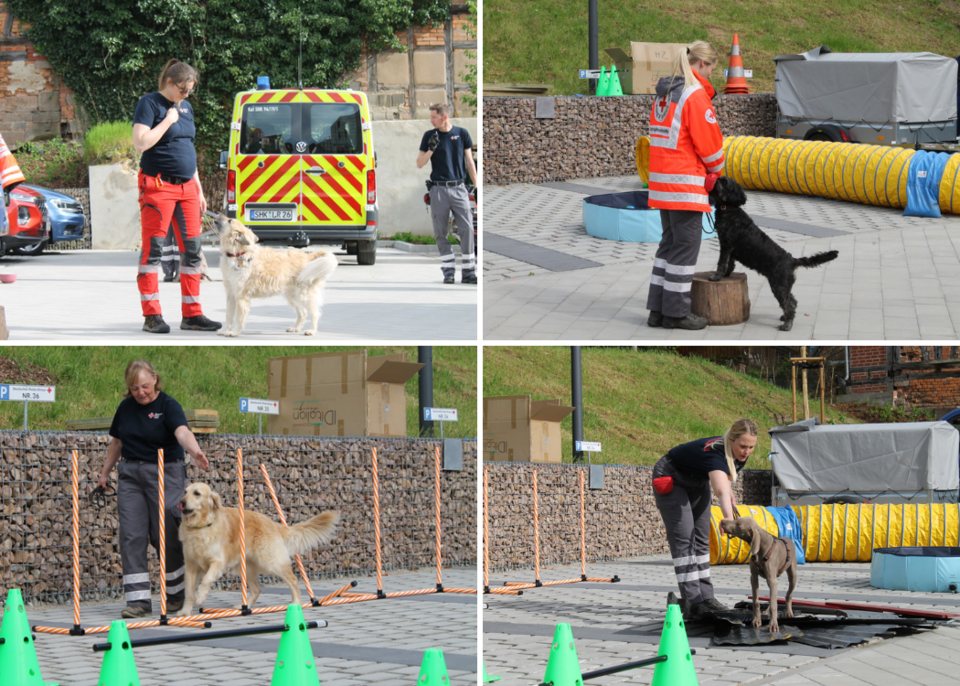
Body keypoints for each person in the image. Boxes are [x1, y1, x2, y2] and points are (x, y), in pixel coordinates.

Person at [95, 360, 209, 618]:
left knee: (166, 534)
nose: (140, 392)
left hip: (165, 472)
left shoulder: (168, 406)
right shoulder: (125, 408)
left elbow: (182, 432)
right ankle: (138, 601)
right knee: (131, 536)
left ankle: (176, 596)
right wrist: (104, 473)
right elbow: (117, 442)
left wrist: (195, 452)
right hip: (131, 476)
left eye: (145, 386)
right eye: (134, 388)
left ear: (155, 380)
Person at [132, 59, 221, 334]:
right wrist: (168, 120)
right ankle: (152, 316)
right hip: (158, 187)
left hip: (188, 189)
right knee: (153, 251)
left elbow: (187, 147)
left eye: (190, 91)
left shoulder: (187, 107)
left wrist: (199, 188)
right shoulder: (149, 104)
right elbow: (140, 143)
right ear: (170, 83)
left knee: (192, 252)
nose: (186, 95)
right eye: (183, 90)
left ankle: (192, 315)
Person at [646, 41, 726, 330]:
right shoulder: (694, 96)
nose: (712, 76)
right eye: (713, 69)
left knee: (667, 246)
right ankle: (677, 313)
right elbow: (711, 147)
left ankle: (657, 310)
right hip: (685, 187)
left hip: (662, 187)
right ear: (703, 64)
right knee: (684, 251)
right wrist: (717, 173)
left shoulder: (665, 94)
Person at [652, 418, 758, 619]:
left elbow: (726, 482)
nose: (747, 451)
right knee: (684, 538)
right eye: (743, 446)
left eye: (751, 447)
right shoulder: (715, 454)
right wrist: (729, 519)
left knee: (702, 537)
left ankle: (706, 597)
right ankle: (693, 600)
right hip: (671, 476)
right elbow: (720, 491)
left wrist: (730, 493)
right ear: (731, 440)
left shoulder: (738, 454)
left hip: (696, 480)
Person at [417, 103, 478, 285]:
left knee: (467, 229)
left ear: (444, 117)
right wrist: (431, 149)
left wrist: (477, 187)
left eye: (433, 117)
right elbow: (419, 163)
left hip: (459, 188)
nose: (431, 120)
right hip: (438, 190)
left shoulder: (462, 134)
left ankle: (468, 272)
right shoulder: (429, 136)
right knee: (441, 232)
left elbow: (469, 162)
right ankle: (448, 271)